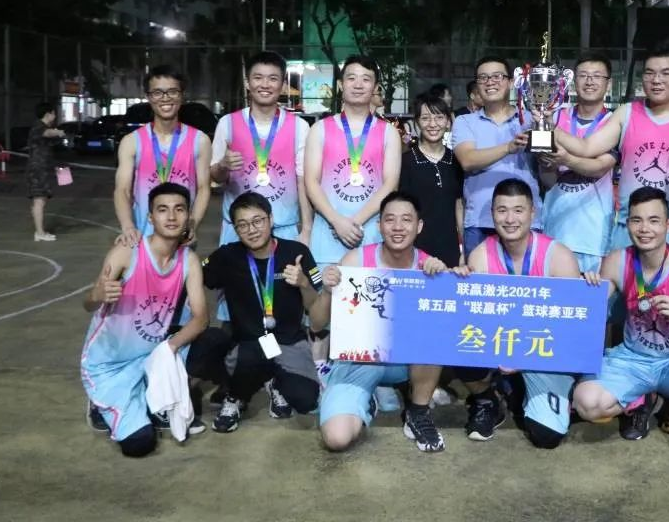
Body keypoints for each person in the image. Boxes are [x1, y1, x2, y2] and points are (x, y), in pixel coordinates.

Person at [572, 187, 669, 471]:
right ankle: (641, 398)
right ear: (627, 223)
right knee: (586, 403)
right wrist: (587, 288)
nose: (644, 229)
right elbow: (589, 311)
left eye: (654, 220)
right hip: (633, 360)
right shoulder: (617, 261)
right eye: (636, 220)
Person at [555, 41, 669, 256]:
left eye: (666, 73)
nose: (656, 80)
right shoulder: (626, 113)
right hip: (630, 229)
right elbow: (587, 147)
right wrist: (547, 126)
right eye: (650, 73)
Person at [80, 183, 208, 458]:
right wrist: (97, 295)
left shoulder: (189, 260)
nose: (171, 216)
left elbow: (201, 318)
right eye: (162, 210)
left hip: (150, 357)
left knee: (214, 341)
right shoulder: (127, 252)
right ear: (150, 217)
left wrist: (169, 348)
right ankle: (100, 403)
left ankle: (153, 398)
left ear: (188, 216)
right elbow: (88, 303)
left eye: (179, 209)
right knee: (140, 444)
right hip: (110, 365)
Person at [318, 192, 452, 453]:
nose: (398, 227)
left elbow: (449, 327)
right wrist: (326, 291)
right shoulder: (354, 262)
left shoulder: (430, 267)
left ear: (419, 226)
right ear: (379, 225)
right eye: (390, 220)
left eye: (406, 220)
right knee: (336, 438)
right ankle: (366, 401)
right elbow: (317, 323)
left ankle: (418, 411)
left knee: (435, 329)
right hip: (358, 361)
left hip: (407, 361)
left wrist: (447, 280)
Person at [462, 178, 585, 449]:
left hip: (544, 352)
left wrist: (525, 357)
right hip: (500, 347)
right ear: (492, 213)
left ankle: (535, 392)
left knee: (546, 436)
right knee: (460, 342)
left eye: (518, 210)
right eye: (502, 210)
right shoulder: (481, 256)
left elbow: (572, 329)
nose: (509, 219)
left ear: (532, 213)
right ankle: (488, 399)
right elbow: (475, 319)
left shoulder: (558, 256)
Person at [203, 192, 328, 433]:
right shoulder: (227, 256)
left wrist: (303, 283)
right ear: (235, 229)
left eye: (258, 221)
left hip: (290, 341)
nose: (252, 230)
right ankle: (235, 397)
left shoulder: (296, 252)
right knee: (243, 355)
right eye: (243, 225)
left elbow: (315, 308)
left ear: (271, 219)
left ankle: (275, 382)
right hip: (248, 343)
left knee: (306, 400)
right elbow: (195, 276)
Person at [304, 55, 402, 266]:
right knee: (325, 288)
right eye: (351, 78)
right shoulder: (319, 129)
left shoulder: (389, 133)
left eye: (366, 79)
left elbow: (390, 184)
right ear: (341, 85)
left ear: (375, 87)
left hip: (371, 236)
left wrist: (354, 223)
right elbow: (311, 182)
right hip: (327, 235)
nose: (358, 85)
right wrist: (336, 221)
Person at [210, 52, 312, 248]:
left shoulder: (299, 127)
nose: (265, 85)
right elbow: (215, 177)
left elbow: (303, 182)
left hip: (283, 228)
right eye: (258, 78)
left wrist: (306, 229)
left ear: (283, 85)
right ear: (247, 83)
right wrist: (223, 165)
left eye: (273, 79)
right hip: (238, 229)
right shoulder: (228, 123)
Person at [538, 53, 617, 273]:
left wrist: (566, 159)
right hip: (556, 227)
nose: (589, 81)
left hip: (594, 234)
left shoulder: (614, 123)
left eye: (597, 76)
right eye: (583, 75)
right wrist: (546, 161)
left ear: (608, 84)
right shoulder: (553, 117)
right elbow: (547, 180)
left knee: (590, 294)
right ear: (573, 81)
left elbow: (600, 167)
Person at [114, 66, 211, 246]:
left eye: (172, 91)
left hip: (182, 240)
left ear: (182, 95)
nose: (165, 98)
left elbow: (204, 188)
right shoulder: (131, 142)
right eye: (157, 92)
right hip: (143, 238)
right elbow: (122, 190)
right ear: (148, 97)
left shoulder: (200, 140)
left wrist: (192, 224)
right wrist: (127, 227)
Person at [453, 56, 540, 255]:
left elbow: (547, 169)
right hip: (480, 222)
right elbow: (467, 160)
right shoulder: (465, 121)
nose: (490, 82)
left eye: (497, 76)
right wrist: (508, 147)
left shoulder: (531, 120)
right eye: (483, 78)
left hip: (525, 221)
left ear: (511, 82)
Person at [400, 93, 464, 266]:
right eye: (426, 118)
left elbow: (459, 206)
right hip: (413, 249)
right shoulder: (406, 161)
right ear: (417, 122)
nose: (433, 124)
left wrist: (464, 248)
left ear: (448, 122)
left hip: (449, 247)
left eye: (439, 117)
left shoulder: (457, 161)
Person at [26, 102, 66, 241]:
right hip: (37, 170)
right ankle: (40, 233)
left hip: (43, 169)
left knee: (40, 200)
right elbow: (47, 133)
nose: (55, 116)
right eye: (54, 113)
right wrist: (58, 132)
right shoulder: (38, 127)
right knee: (39, 201)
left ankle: (40, 231)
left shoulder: (42, 127)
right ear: (48, 114)